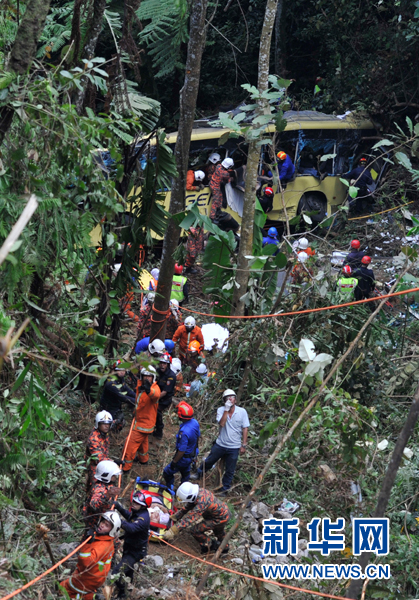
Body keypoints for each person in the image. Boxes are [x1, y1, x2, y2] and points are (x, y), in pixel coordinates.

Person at [190, 389, 249, 495]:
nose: (230, 400)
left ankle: (225, 488)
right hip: (221, 443)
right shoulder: (221, 410)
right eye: (228, 398)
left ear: (235, 400)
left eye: (232, 397)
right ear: (224, 400)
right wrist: (226, 410)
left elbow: (245, 428)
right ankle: (199, 474)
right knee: (209, 460)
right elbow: (222, 424)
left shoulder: (242, 412)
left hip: (234, 446)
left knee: (230, 469)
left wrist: (244, 444)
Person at [60, 511, 121, 600]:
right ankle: (92, 596)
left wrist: (87, 544)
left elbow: (86, 562)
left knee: (63, 588)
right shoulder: (106, 540)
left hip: (88, 578)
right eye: (103, 522)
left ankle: (84, 597)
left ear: (112, 530)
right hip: (95, 578)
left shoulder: (102, 546)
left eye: (107, 525)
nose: (102, 525)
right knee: (78, 589)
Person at [163, 482, 230, 554]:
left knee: (195, 530)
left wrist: (173, 530)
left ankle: (209, 545)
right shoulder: (198, 493)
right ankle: (225, 548)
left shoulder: (202, 502)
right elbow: (188, 505)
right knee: (219, 532)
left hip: (220, 518)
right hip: (223, 513)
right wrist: (177, 516)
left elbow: (190, 518)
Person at [113, 491, 152, 599]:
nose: (133, 504)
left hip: (135, 552)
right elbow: (129, 516)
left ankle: (122, 593)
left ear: (143, 506)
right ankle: (127, 592)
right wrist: (119, 508)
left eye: (136, 503)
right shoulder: (137, 512)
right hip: (129, 548)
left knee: (117, 573)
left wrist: (117, 520)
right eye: (133, 502)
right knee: (128, 572)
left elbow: (131, 527)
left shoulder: (143, 518)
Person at [122, 367, 160, 472]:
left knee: (130, 445)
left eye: (149, 376)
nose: (147, 378)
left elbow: (155, 394)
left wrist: (148, 390)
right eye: (145, 376)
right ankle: (143, 459)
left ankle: (126, 467)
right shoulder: (141, 386)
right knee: (143, 441)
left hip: (143, 424)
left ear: (153, 377)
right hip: (142, 421)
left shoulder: (154, 388)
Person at [163, 401, 200, 489]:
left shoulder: (184, 432)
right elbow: (198, 437)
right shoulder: (195, 422)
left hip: (183, 458)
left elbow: (181, 451)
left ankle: (170, 489)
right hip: (192, 455)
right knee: (185, 473)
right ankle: (184, 488)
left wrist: (174, 462)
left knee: (167, 472)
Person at [82, 461, 121, 533]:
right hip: (95, 522)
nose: (115, 477)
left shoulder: (108, 484)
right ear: (107, 476)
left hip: (103, 519)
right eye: (113, 475)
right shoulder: (100, 489)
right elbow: (93, 505)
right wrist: (106, 496)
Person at [99, 362, 136, 432]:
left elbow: (127, 390)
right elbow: (121, 397)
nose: (122, 372)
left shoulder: (121, 380)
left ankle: (113, 434)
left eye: (123, 370)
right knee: (111, 424)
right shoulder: (111, 383)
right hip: (107, 409)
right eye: (119, 370)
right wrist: (137, 401)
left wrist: (138, 397)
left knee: (120, 422)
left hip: (115, 407)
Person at [85, 411, 112, 493]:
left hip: (103, 466)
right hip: (95, 468)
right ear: (98, 424)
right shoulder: (94, 439)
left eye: (108, 424)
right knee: (95, 490)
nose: (106, 426)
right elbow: (99, 459)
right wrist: (114, 462)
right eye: (104, 424)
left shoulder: (104, 433)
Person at [154, 353, 177, 440]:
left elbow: (165, 392)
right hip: (156, 394)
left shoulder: (171, 376)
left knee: (157, 411)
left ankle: (159, 431)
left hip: (164, 399)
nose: (162, 365)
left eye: (164, 363)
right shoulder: (157, 371)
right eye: (161, 363)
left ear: (168, 364)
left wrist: (153, 398)